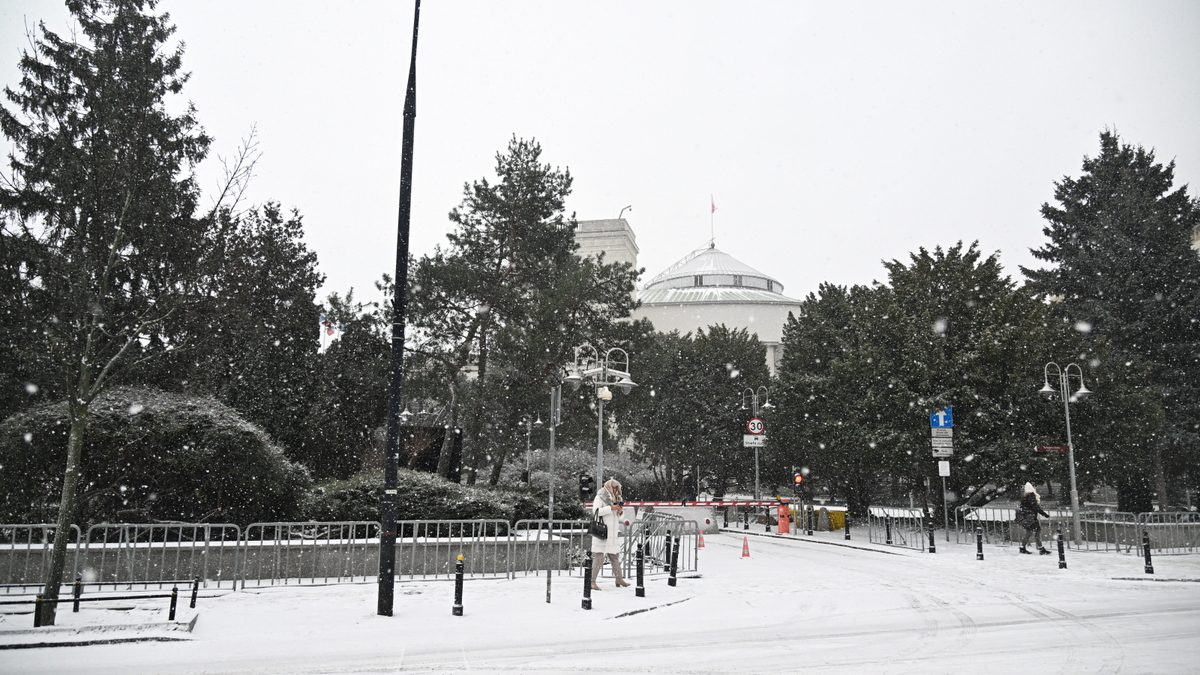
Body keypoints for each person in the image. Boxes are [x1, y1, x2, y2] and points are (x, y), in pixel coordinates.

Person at [590, 478, 630, 589]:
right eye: (613, 487)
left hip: (612, 533)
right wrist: (610, 508)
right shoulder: (600, 497)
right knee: (599, 557)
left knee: (614, 556)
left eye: (616, 487)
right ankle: (592, 581)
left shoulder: (616, 499)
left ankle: (619, 578)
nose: (614, 489)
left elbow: (620, 517)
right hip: (602, 532)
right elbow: (596, 511)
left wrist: (620, 512)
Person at [1017, 482, 1051, 555]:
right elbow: (1035, 507)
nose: (1035, 488)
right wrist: (1044, 514)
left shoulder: (1025, 495)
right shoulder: (1031, 495)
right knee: (1037, 531)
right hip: (1031, 518)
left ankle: (1022, 547)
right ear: (1031, 487)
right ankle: (1041, 549)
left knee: (1029, 532)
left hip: (1026, 517)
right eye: (1034, 486)